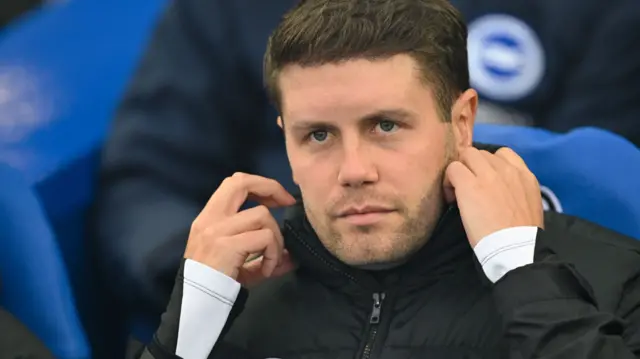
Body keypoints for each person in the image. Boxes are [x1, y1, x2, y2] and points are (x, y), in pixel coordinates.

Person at [129, 1, 640, 358]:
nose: (354, 171)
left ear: (461, 124)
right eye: (319, 136)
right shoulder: (233, 302)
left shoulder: (612, 278)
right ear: (285, 137)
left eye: (386, 126)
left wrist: (525, 279)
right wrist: (183, 337)